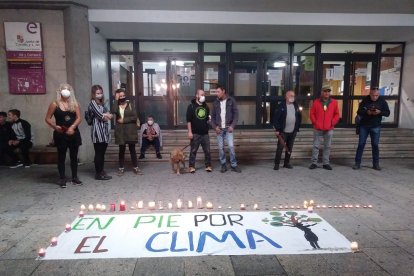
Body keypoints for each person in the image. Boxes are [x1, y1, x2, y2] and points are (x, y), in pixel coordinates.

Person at [45, 83, 82, 188]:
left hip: (73, 133)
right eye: (64, 89)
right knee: (61, 156)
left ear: (71, 91)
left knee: (74, 156)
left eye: (68, 89)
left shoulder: (75, 103)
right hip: (60, 133)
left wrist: (72, 127)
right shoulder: (54, 104)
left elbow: (79, 117)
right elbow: (47, 118)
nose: (66, 91)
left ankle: (74, 177)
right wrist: (54, 126)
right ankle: (62, 178)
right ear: (59, 91)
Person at [353, 87, 390, 170]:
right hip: (364, 126)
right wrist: (367, 112)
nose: (374, 97)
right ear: (370, 94)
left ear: (379, 94)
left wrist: (380, 112)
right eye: (373, 95)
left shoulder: (382, 101)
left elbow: (387, 113)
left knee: (375, 145)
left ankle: (375, 164)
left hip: (376, 126)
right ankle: (357, 163)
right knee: (361, 144)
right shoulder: (365, 100)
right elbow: (359, 111)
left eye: (376, 95)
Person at [210, 85, 241, 173]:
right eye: (216, 92)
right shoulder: (215, 103)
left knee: (231, 146)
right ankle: (223, 165)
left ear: (223, 91)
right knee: (221, 148)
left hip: (228, 129)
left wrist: (232, 125)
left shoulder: (231, 101)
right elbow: (212, 117)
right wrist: (215, 127)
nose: (217, 93)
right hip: (219, 129)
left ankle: (233, 165)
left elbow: (236, 114)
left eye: (218, 92)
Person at [309, 86, 340, 170]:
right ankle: (314, 163)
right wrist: (315, 122)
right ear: (322, 92)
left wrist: (332, 122)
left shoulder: (334, 102)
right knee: (316, 146)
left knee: (327, 146)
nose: (327, 93)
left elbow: (337, 114)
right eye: (325, 91)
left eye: (328, 91)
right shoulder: (316, 102)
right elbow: (312, 113)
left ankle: (326, 163)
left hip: (329, 128)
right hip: (317, 128)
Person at [112, 89, 142, 175]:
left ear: (125, 96)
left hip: (130, 131)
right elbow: (113, 111)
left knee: (132, 150)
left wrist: (124, 120)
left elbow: (135, 117)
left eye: (123, 96)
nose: (122, 97)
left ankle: (136, 167)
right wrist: (116, 99)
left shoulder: (131, 105)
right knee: (121, 150)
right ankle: (121, 168)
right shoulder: (116, 105)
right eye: (120, 96)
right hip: (121, 132)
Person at [88, 85, 113, 180]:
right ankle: (98, 173)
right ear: (94, 94)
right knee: (98, 153)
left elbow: (109, 115)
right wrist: (106, 115)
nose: (100, 95)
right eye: (97, 93)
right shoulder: (93, 103)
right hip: (97, 131)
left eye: (101, 93)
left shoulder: (102, 104)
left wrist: (106, 115)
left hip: (105, 131)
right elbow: (99, 115)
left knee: (102, 153)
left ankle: (102, 170)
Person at [273, 90, 302, 170]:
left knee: (289, 148)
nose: (293, 97)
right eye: (291, 96)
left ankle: (286, 163)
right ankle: (277, 164)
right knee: (280, 148)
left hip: (293, 131)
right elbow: (275, 119)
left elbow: (299, 116)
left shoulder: (296, 106)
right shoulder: (281, 106)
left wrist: (297, 127)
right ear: (286, 96)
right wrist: (277, 129)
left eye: (293, 96)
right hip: (283, 132)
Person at [187, 89, 212, 173]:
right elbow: (188, 121)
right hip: (195, 133)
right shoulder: (191, 106)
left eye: (204, 95)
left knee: (207, 150)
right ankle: (191, 166)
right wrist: (190, 132)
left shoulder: (206, 106)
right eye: (201, 95)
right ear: (197, 95)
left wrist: (209, 120)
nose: (203, 97)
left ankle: (208, 165)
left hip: (205, 133)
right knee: (193, 151)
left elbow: (207, 118)